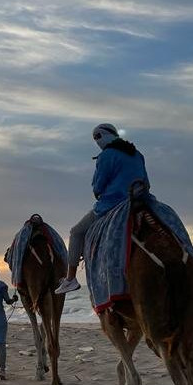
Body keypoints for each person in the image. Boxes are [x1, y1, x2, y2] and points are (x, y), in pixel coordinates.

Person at [55, 123, 150, 295]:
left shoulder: (106, 156)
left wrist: (100, 192)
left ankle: (70, 279)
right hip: (144, 201)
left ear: (109, 135)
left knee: (76, 232)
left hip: (113, 204)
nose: (97, 141)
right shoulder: (138, 154)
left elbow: (97, 186)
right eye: (94, 138)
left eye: (98, 136)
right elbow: (146, 183)